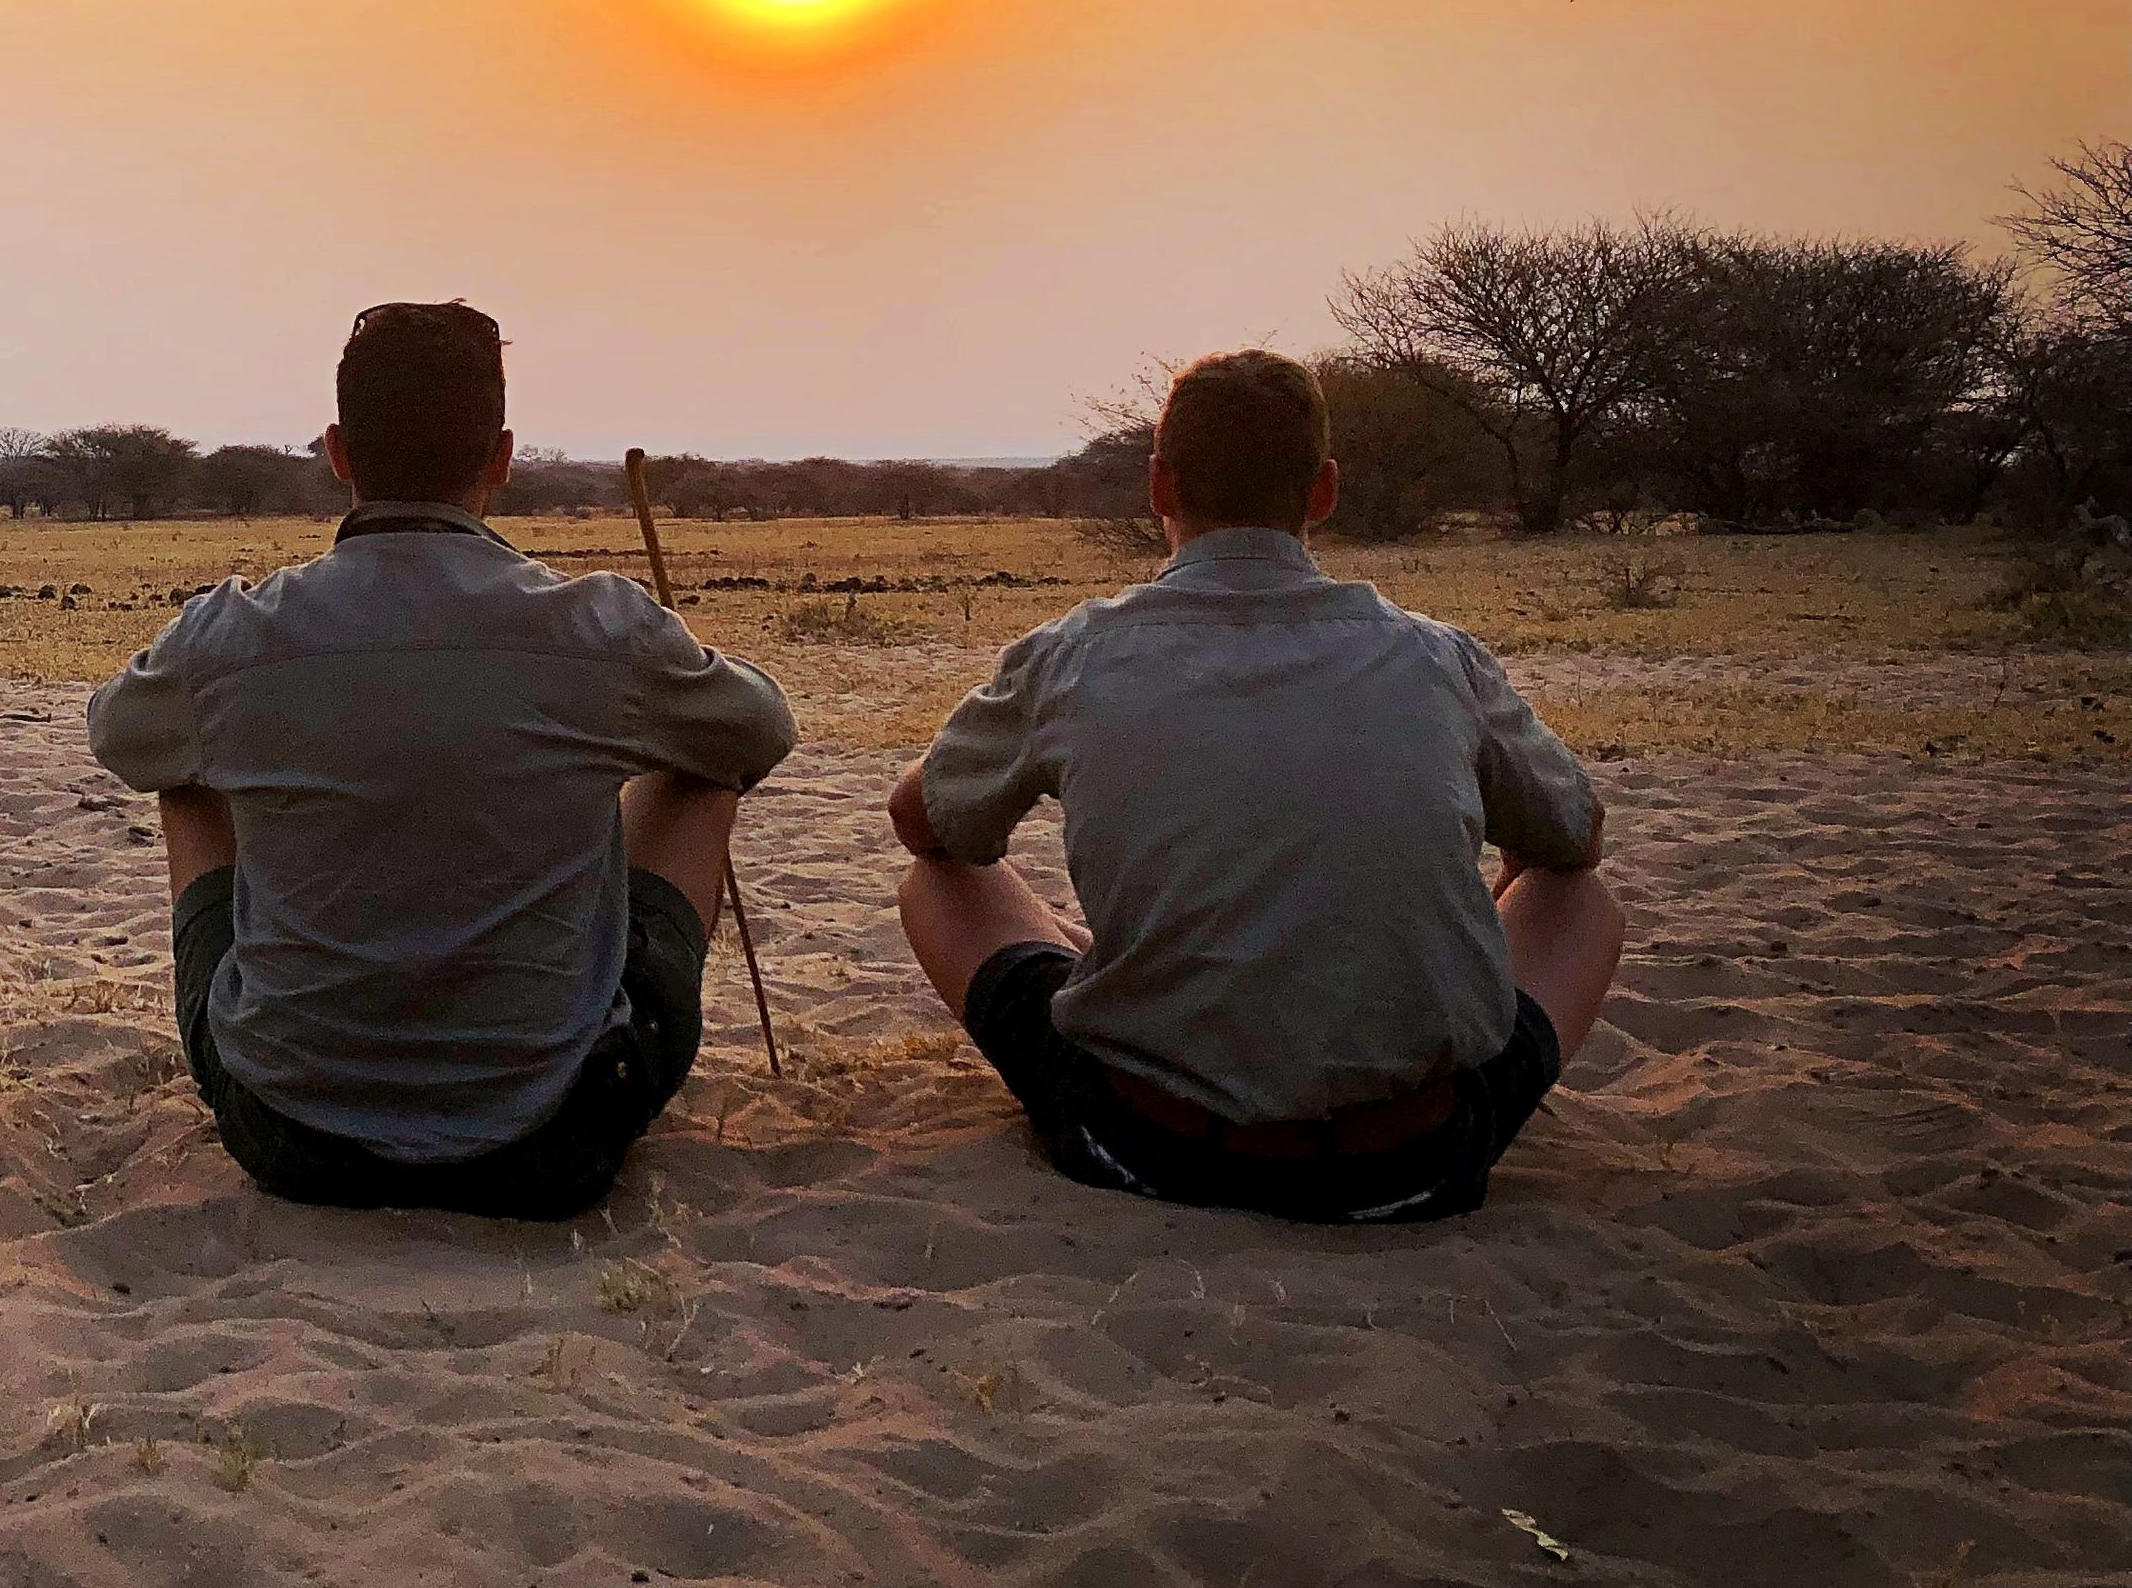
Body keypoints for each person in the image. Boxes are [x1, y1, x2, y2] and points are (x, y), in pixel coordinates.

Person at [86, 301, 796, 1219]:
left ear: (338, 451)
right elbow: (760, 730)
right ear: (501, 455)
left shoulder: (233, 635)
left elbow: (118, 734)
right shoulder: (599, 626)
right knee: (705, 769)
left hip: (291, 1137)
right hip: (557, 1142)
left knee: (180, 774)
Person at [885, 349, 1625, 1223]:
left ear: (1160, 486)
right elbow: (1573, 836)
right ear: (1324, 491)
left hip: (1146, 1147)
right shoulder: (1436, 658)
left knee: (937, 875)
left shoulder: (1076, 655)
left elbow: (923, 821)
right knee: (1582, 899)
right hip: (1411, 1161)